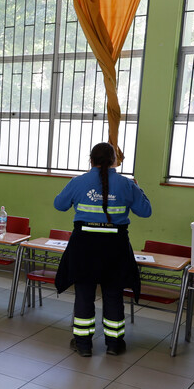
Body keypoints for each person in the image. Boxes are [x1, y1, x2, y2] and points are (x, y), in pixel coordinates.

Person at [54, 143, 152, 357]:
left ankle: (83, 344)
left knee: (84, 294)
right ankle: (114, 344)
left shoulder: (78, 182)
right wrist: (138, 187)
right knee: (113, 294)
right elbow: (145, 211)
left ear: (91, 160)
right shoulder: (127, 185)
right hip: (114, 248)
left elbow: (59, 205)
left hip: (84, 247)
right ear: (114, 161)